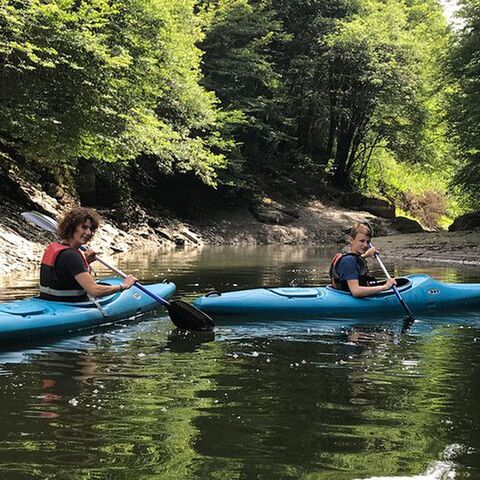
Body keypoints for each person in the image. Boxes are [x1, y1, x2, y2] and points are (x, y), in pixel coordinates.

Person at [39, 207, 137, 302]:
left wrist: (86, 262)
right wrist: (123, 286)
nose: (89, 232)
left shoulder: (56, 247)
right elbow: (94, 291)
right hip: (68, 307)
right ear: (72, 227)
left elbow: (64, 277)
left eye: (91, 229)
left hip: (49, 302)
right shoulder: (71, 255)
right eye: (84, 227)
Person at [329, 221, 396, 297]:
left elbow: (355, 261)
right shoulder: (348, 261)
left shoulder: (352, 258)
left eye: (367, 242)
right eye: (362, 241)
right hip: (350, 299)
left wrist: (366, 255)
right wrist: (385, 287)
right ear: (351, 240)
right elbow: (356, 291)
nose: (365, 245)